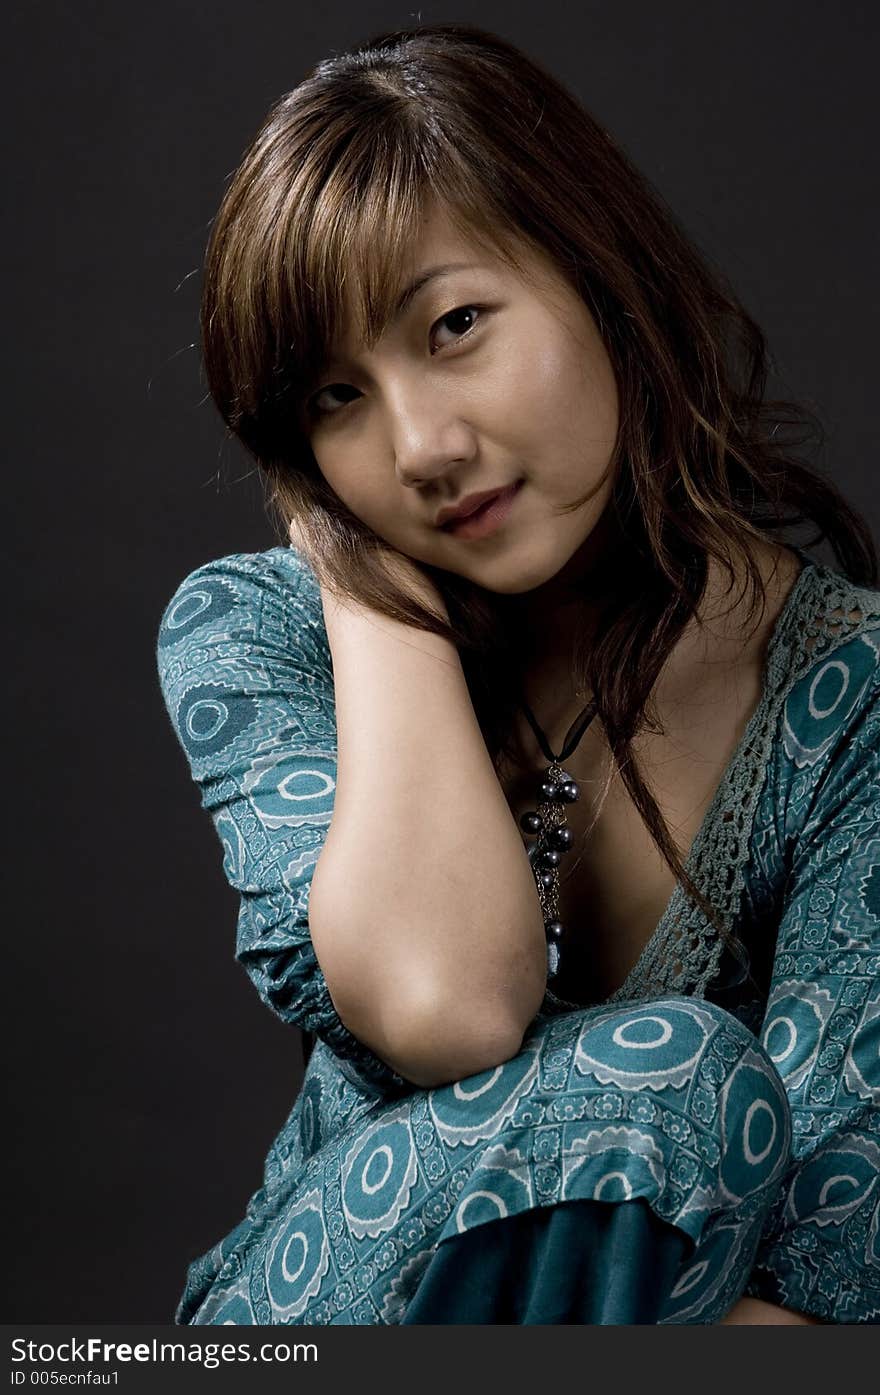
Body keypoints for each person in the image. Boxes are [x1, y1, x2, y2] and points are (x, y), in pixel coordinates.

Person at [156, 24, 880, 1324]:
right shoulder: (258, 635)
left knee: (681, 1089)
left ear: (599, 274)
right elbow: (442, 998)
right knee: (676, 1081)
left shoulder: (858, 700)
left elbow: (838, 1277)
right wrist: (364, 580)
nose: (420, 447)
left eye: (455, 325)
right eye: (334, 400)